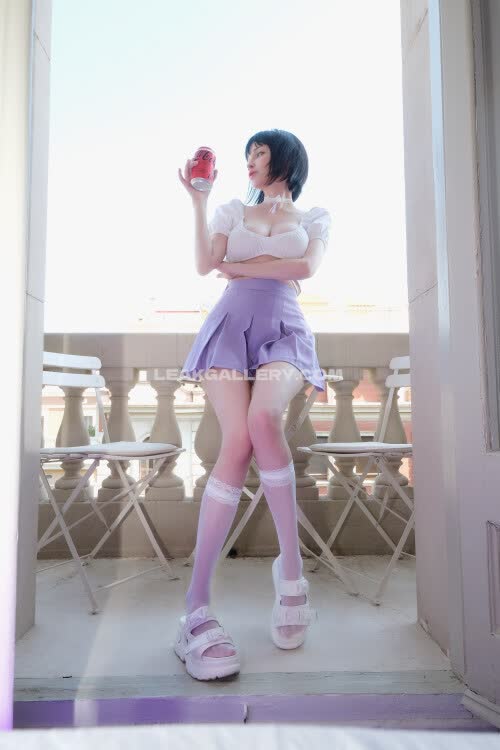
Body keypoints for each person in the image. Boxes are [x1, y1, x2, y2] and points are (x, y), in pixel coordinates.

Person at [174, 129, 331, 681]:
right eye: (248, 155)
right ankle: (196, 607)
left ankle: (291, 573)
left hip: (284, 325)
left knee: (265, 418)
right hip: (230, 322)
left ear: (285, 157)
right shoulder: (231, 210)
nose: (251, 160)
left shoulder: (314, 217)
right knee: (237, 442)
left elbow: (305, 269)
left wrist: (243, 267)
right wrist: (198, 202)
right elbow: (205, 264)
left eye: (260, 152)